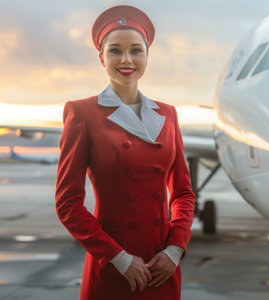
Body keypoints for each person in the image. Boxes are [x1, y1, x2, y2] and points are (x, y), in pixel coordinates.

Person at [55, 5, 196, 300]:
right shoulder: (82, 113)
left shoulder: (168, 114)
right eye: (116, 51)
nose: (127, 60)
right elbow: (68, 204)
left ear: (146, 55)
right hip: (112, 265)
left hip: (162, 266)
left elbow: (183, 193)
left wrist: (174, 249)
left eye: (136, 50)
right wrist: (118, 258)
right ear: (101, 57)